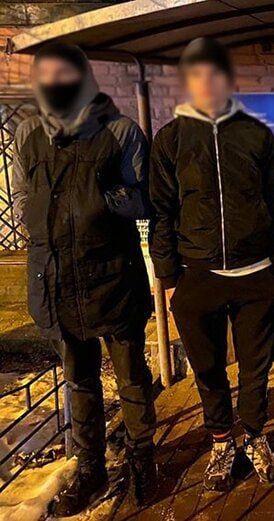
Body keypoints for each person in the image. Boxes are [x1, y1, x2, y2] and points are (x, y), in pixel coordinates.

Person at [11, 41, 156, 514]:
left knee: (132, 377)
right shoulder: (29, 134)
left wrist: (101, 199)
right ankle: (90, 467)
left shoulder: (120, 131)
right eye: (47, 75)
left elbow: (144, 198)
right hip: (56, 280)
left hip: (113, 278)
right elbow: (21, 197)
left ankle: (143, 458)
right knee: (80, 381)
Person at [149, 37, 274, 490]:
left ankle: (256, 436)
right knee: (207, 369)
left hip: (255, 273)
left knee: (255, 369)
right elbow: (161, 211)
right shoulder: (170, 139)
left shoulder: (256, 135)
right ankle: (222, 441)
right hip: (197, 276)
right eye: (197, 74)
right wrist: (168, 277)